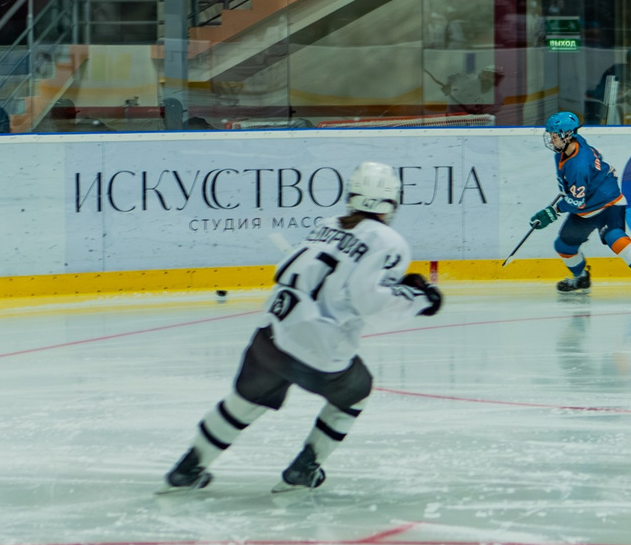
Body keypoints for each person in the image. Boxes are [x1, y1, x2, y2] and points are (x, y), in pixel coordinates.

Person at [165, 161, 443, 492]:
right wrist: (419, 299)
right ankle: (304, 468)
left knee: (245, 401)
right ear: (391, 201)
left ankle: (188, 468)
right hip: (319, 346)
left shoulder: (325, 225)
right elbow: (370, 302)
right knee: (356, 392)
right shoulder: (388, 240)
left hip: (272, 332)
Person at [530, 110, 631, 299]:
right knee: (564, 247)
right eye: (551, 136)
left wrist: (553, 211)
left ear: (567, 135)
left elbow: (576, 200)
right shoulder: (568, 150)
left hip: (607, 205)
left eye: (555, 136)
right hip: (584, 211)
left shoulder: (578, 164)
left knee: (617, 240)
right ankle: (581, 278)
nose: (552, 141)